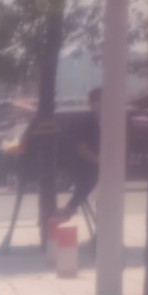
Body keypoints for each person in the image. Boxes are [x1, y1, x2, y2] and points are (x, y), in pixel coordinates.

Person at [58, 89, 102, 220]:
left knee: (92, 179)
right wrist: (101, 162)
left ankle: (70, 209)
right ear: (93, 103)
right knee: (91, 178)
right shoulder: (88, 121)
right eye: (101, 101)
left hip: (85, 164)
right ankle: (69, 209)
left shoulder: (99, 121)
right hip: (80, 164)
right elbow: (82, 149)